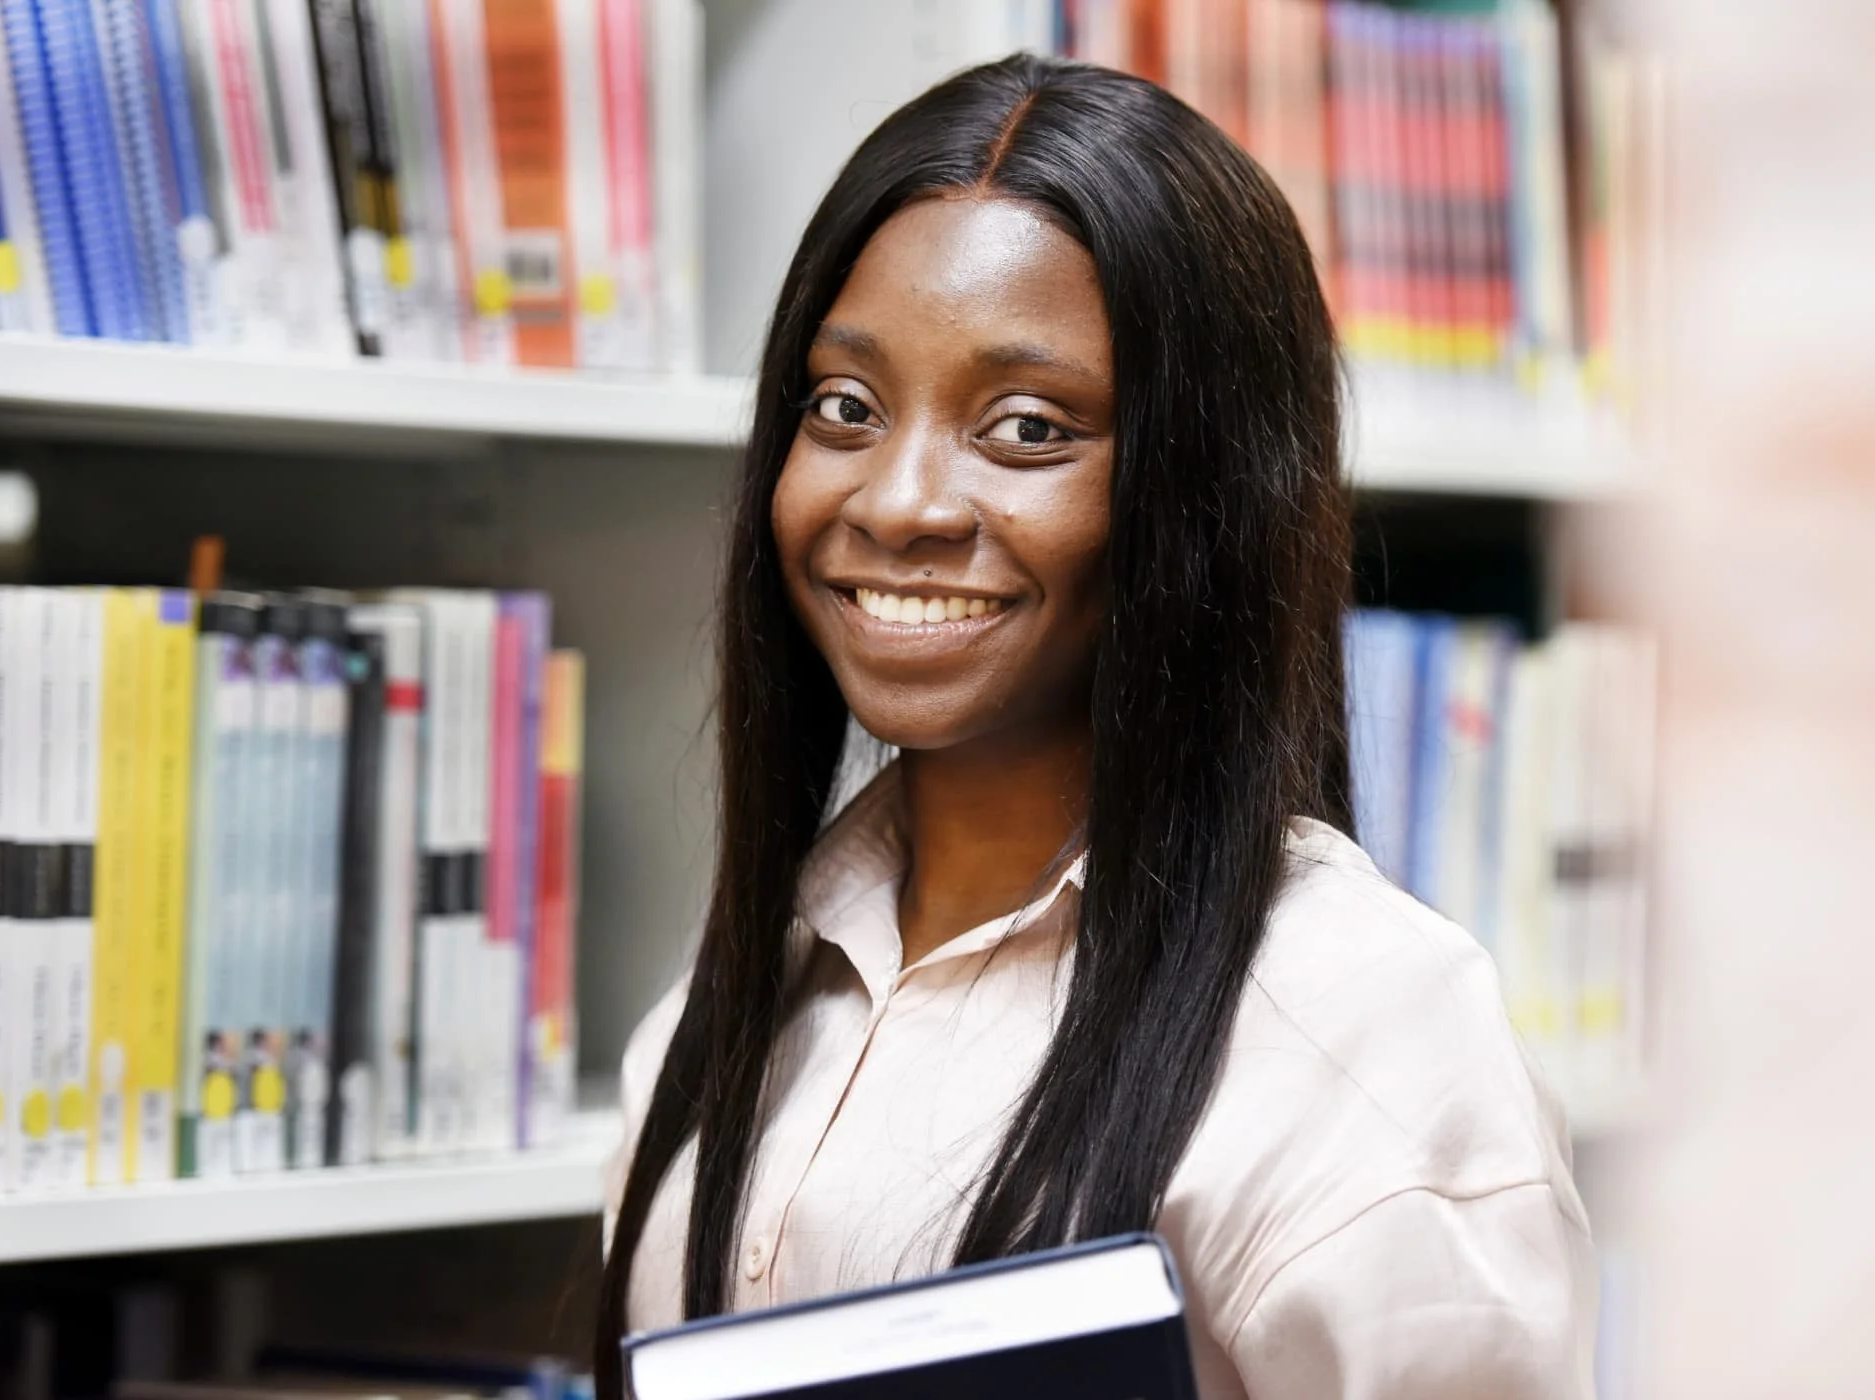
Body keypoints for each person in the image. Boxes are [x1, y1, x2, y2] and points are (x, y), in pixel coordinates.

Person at [597, 54, 1594, 1399]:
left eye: (1025, 429)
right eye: (846, 407)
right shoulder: (726, 1016)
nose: (898, 501)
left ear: (1206, 494)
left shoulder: (1362, 1036)